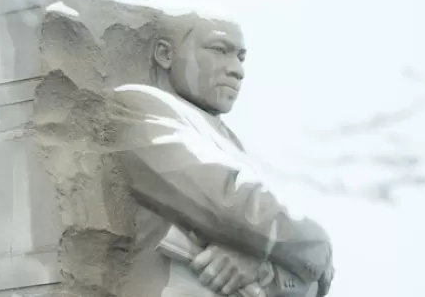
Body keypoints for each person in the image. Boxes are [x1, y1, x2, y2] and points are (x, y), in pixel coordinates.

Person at [110, 17, 335, 297]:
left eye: (241, 57)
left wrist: (260, 265)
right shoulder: (139, 107)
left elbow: (310, 286)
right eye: (219, 50)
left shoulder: (230, 143)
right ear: (166, 55)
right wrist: (316, 247)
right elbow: (228, 203)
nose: (237, 70)